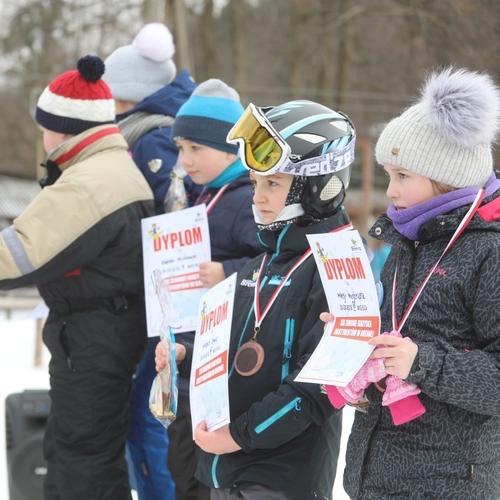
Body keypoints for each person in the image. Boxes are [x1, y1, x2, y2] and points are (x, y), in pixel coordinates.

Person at [0, 55, 154, 500]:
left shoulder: (86, 184)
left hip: (94, 338)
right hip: (100, 333)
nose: (42, 137)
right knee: (74, 453)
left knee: (86, 462)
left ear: (63, 127)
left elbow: (20, 254)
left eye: (44, 125)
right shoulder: (106, 169)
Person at [158, 99, 357, 499]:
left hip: (280, 476)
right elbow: (230, 347)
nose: (258, 197)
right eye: (255, 183)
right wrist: (186, 353)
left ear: (317, 186)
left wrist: (238, 435)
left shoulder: (337, 269)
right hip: (228, 467)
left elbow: (318, 389)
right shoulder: (258, 265)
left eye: (273, 184)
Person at [337, 67, 500, 498]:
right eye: (388, 174)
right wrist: (356, 344)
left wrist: (421, 362)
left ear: (445, 175)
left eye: (402, 176)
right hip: (375, 478)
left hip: (449, 484)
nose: (389, 191)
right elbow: (401, 336)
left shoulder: (490, 252)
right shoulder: (407, 241)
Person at [103, 23, 197, 499]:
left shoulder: (156, 139)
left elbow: (171, 221)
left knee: (150, 417)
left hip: (163, 306)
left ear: (132, 97)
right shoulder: (153, 131)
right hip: (155, 302)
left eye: (113, 100)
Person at [165, 78, 263, 500]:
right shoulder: (201, 198)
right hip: (192, 353)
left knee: (200, 472)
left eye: (196, 149)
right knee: (182, 465)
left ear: (230, 150)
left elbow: (270, 263)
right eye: (181, 148)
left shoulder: (245, 200)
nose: (185, 159)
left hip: (221, 365)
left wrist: (227, 270)